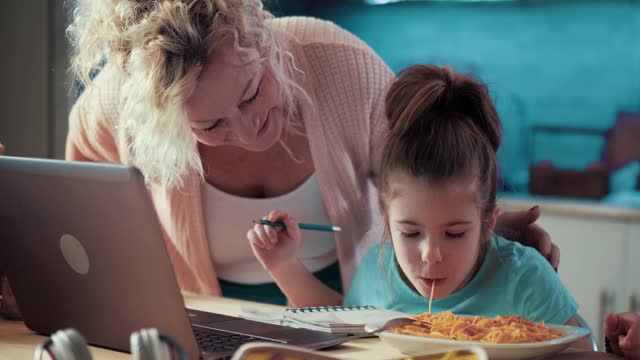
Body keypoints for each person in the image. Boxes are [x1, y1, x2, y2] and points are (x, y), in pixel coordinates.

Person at [66, 0, 557, 305]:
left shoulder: (341, 66)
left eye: (252, 92)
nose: (248, 128)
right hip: (206, 320)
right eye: (209, 125)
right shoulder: (119, 106)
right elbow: (79, 213)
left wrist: (480, 235)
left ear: (260, 33)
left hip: (349, 315)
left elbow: (427, 188)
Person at [248, 64, 592, 349]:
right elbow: (341, 324)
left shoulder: (524, 277)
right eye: (410, 232)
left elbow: (584, 352)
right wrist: (284, 265)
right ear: (385, 217)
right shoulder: (376, 272)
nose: (430, 255)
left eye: (455, 233)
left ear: (489, 223)